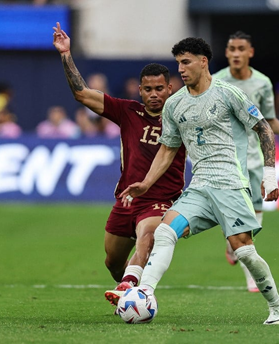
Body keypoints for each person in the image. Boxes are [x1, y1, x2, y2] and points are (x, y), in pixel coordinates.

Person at [120, 37, 279, 325]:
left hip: (230, 184)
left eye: (186, 62)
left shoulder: (227, 94)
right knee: (165, 231)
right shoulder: (174, 104)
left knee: (244, 250)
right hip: (199, 188)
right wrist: (146, 184)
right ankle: (144, 293)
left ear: (203, 62)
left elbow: (263, 128)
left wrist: (270, 175)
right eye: (178, 64)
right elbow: (168, 148)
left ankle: (277, 308)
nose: (181, 69)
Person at [52, 22, 187, 307]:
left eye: (159, 88)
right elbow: (82, 94)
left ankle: (132, 287)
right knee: (113, 262)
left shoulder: (183, 116)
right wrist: (66, 54)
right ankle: (125, 281)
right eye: (148, 89)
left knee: (148, 236)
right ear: (139, 90)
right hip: (127, 199)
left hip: (161, 200)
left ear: (170, 88)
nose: (154, 94)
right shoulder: (127, 111)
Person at [212, 31, 279, 293]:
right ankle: (245, 266)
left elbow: (269, 121)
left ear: (250, 52)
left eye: (241, 49)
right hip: (223, 160)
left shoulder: (263, 83)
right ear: (227, 52)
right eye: (231, 49)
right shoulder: (215, 81)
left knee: (255, 222)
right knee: (232, 220)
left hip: (253, 160)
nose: (235, 54)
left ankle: (239, 255)